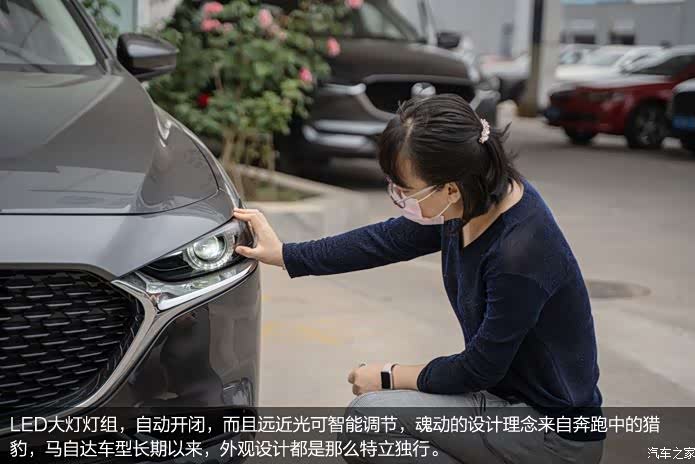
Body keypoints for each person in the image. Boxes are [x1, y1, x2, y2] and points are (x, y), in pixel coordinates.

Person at [232, 94, 606, 463]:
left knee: (370, 420)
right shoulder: (470, 201)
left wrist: (389, 375)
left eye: (405, 190)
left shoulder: (519, 251)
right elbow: (384, 240)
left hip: (552, 434)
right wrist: (286, 254)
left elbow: (480, 367)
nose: (399, 198)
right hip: (503, 401)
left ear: (450, 188)